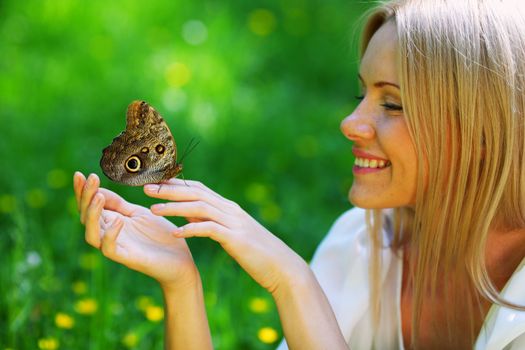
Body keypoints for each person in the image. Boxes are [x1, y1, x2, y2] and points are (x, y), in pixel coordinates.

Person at [74, 0, 525, 348]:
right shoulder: (362, 244)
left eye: (392, 103)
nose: (350, 123)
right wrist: (181, 283)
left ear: (487, 131)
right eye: (361, 93)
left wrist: (294, 279)